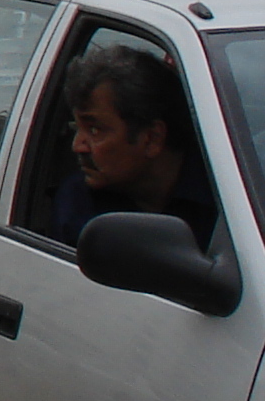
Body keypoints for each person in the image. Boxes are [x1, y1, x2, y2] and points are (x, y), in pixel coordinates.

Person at [51, 42, 215, 248]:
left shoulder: (230, 199)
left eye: (94, 130)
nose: (78, 146)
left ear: (152, 138)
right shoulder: (78, 202)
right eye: (76, 127)